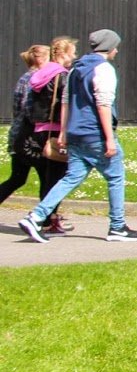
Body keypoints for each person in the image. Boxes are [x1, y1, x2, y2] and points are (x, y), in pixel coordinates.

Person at [19, 29, 137, 243]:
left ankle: (36, 216)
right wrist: (109, 138)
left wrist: (64, 133)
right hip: (95, 132)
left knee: (71, 178)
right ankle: (117, 227)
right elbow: (103, 104)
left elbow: (66, 101)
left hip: (75, 133)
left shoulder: (76, 69)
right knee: (115, 177)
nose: (117, 50)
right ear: (109, 47)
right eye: (115, 46)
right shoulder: (103, 69)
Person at [23, 37, 79, 234]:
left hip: (38, 130)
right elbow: (66, 104)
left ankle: (49, 218)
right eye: (72, 53)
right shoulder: (62, 76)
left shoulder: (40, 74)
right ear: (63, 54)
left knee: (47, 177)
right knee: (57, 179)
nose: (74, 57)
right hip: (55, 131)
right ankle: (44, 219)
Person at [0, 44, 48, 208]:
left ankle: (48, 215)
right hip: (30, 138)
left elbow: (17, 109)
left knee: (18, 178)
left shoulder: (24, 77)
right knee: (46, 177)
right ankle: (47, 216)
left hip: (18, 135)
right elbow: (29, 109)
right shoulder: (36, 79)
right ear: (41, 60)